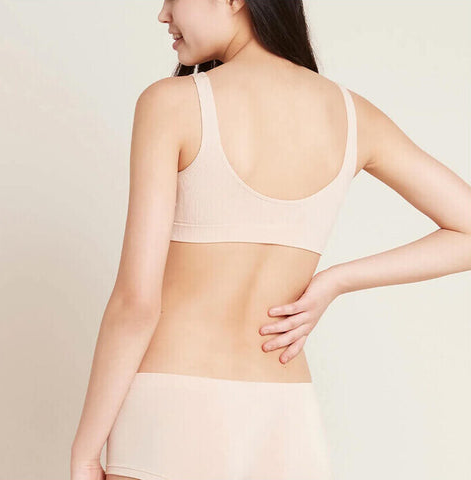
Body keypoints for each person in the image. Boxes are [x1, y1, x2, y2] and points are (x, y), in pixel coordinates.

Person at [70, 1, 471, 479]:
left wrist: (86, 452)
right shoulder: (352, 116)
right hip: (285, 417)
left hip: (172, 409)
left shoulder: (171, 104)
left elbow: (136, 303)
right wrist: (335, 281)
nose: (163, 13)